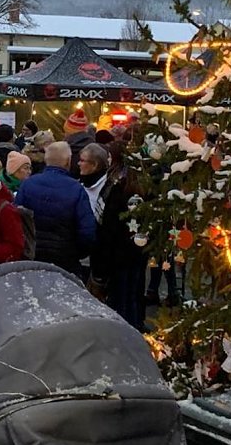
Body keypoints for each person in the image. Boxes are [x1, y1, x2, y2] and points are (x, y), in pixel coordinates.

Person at [15, 141, 97, 277]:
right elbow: (87, 231)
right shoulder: (76, 189)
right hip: (65, 258)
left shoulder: (28, 184)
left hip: (32, 256)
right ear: (68, 161)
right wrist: (78, 253)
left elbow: (17, 219)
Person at [91, 141, 148, 330]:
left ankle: (122, 334)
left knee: (120, 297)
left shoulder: (115, 187)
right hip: (138, 250)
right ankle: (136, 326)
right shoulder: (142, 186)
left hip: (117, 253)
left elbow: (107, 225)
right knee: (134, 292)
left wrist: (100, 263)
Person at [78, 144, 111, 282]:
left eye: (82, 160)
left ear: (95, 165)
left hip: (100, 253)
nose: (78, 163)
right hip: (81, 252)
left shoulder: (108, 188)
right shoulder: (79, 184)